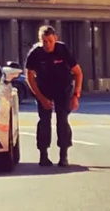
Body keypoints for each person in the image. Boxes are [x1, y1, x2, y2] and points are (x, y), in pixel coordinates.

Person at [24, 25, 85, 168]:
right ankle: (43, 155)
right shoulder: (35, 53)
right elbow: (29, 77)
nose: (47, 44)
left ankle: (63, 155)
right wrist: (41, 98)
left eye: (50, 41)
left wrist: (76, 95)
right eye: (44, 41)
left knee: (62, 120)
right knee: (44, 121)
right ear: (40, 40)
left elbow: (78, 73)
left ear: (55, 39)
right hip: (44, 89)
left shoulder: (62, 50)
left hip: (63, 89)